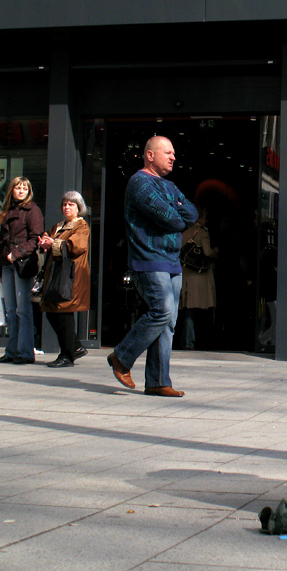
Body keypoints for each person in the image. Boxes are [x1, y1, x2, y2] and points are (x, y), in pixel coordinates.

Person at [107, 135, 198, 396]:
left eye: (173, 153)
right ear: (150, 155)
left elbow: (192, 213)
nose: (173, 157)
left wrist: (178, 211)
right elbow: (171, 218)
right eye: (167, 152)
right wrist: (177, 211)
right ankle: (122, 357)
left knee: (168, 321)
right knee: (162, 311)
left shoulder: (169, 185)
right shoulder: (139, 183)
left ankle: (158, 381)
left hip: (171, 262)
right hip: (149, 259)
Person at [38, 191, 91, 368]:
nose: (67, 207)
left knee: (64, 313)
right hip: (56, 274)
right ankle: (75, 347)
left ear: (79, 208)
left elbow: (76, 247)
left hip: (71, 276)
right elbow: (50, 240)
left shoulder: (81, 226)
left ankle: (67, 355)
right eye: (65, 204)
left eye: (71, 204)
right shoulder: (59, 226)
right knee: (52, 311)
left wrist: (51, 243)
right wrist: (45, 241)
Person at [0, 176, 44, 365]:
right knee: (11, 310)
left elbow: (35, 239)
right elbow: (0, 242)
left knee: (23, 309)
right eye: (18, 187)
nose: (21, 191)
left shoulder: (32, 210)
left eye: (25, 188)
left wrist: (17, 253)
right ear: (12, 190)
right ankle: (12, 351)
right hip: (7, 263)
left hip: (22, 263)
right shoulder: (7, 211)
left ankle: (24, 353)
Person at [178, 210, 218, 350]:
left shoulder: (186, 232)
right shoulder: (203, 232)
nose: (206, 221)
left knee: (188, 308)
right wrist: (215, 252)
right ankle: (191, 341)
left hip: (186, 275)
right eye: (205, 217)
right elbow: (207, 252)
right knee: (197, 310)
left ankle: (185, 340)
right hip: (200, 277)